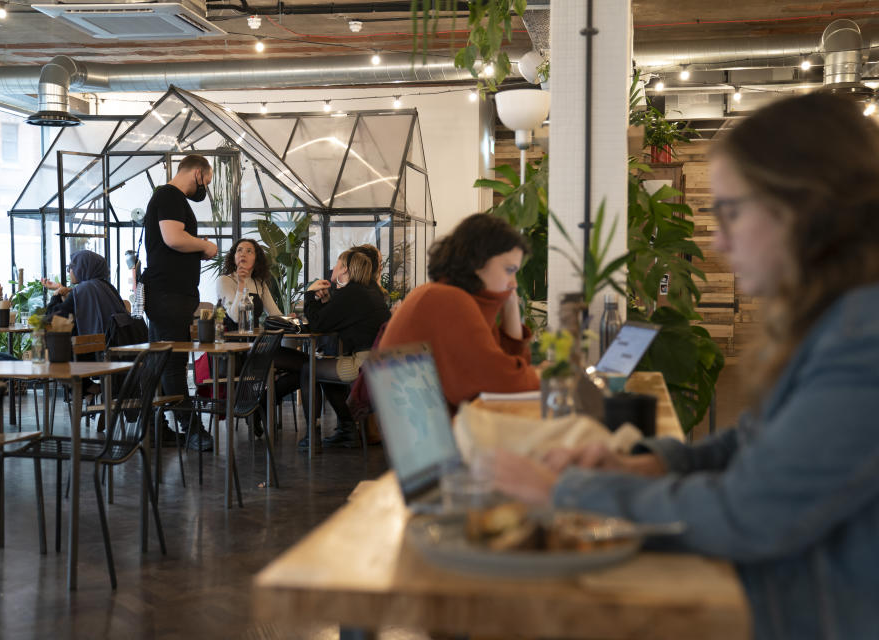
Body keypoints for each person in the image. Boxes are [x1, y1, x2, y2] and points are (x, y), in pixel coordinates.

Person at [494, 93, 879, 639]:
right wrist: (647, 465)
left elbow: (747, 515)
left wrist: (565, 492)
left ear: (805, 208)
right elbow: (751, 442)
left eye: (732, 211)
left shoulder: (864, 341)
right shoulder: (838, 321)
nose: (719, 240)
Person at [377, 213, 539, 411]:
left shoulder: (452, 296)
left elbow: (508, 368)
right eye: (509, 269)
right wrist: (543, 376)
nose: (513, 282)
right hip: (438, 438)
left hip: (439, 430)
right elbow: (503, 382)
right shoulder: (447, 300)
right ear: (477, 261)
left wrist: (511, 306)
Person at [141, 154, 219, 451]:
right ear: (197, 172)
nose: (206, 188)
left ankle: (154, 426)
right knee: (173, 361)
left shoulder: (168, 198)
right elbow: (173, 237)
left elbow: (172, 242)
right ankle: (191, 427)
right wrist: (205, 246)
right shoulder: (171, 195)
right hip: (168, 293)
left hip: (169, 292)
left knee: (161, 361)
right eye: (207, 181)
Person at [296, 247, 391, 449]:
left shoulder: (351, 294)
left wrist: (309, 295)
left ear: (345, 269)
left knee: (308, 370)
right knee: (325, 369)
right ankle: (347, 430)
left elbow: (318, 325)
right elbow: (330, 319)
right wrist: (323, 300)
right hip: (379, 362)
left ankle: (312, 437)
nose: (333, 269)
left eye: (336, 265)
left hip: (363, 364)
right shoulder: (369, 291)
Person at [43, 250, 126, 335]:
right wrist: (61, 289)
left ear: (81, 268)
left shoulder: (83, 290)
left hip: (95, 346)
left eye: (71, 267)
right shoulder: (108, 287)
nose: (69, 271)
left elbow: (51, 319)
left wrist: (56, 295)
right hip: (118, 344)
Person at [216, 238, 281, 326]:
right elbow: (236, 317)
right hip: (232, 338)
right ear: (234, 257)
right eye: (239, 250)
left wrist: (288, 319)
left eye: (249, 251)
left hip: (255, 337)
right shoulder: (224, 280)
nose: (243, 254)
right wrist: (241, 285)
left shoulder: (259, 282)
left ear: (256, 259)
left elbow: (274, 314)